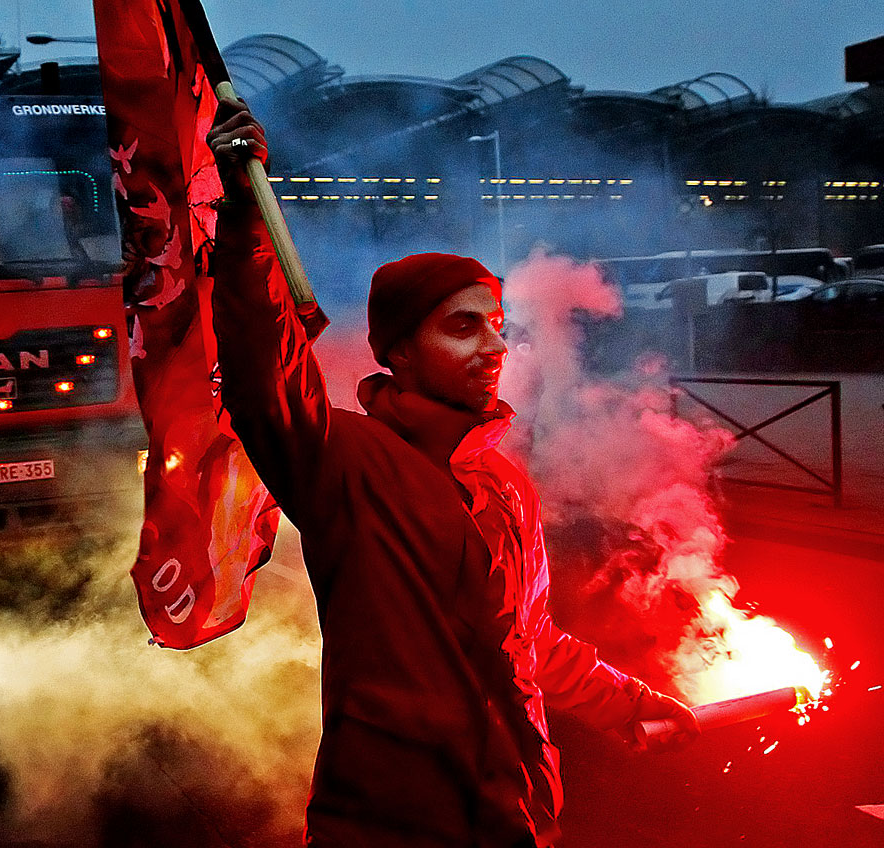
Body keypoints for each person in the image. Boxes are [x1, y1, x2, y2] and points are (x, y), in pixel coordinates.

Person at [205, 98, 700, 848]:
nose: (495, 344)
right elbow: (260, 375)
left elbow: (529, 641)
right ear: (398, 352)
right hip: (388, 822)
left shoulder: (503, 485)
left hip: (514, 813)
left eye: (496, 320)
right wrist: (245, 220)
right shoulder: (343, 461)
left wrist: (629, 704)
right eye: (462, 326)